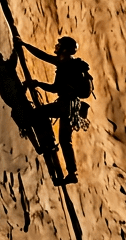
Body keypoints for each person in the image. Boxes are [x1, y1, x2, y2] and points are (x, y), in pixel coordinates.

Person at [20, 35, 91, 185]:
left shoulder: (64, 63)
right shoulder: (69, 63)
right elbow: (43, 56)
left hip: (64, 106)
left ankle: (46, 143)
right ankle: (72, 173)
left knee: (37, 114)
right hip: (73, 108)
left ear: (64, 49)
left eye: (59, 45)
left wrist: (38, 84)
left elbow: (54, 88)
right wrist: (25, 45)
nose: (56, 47)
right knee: (65, 141)